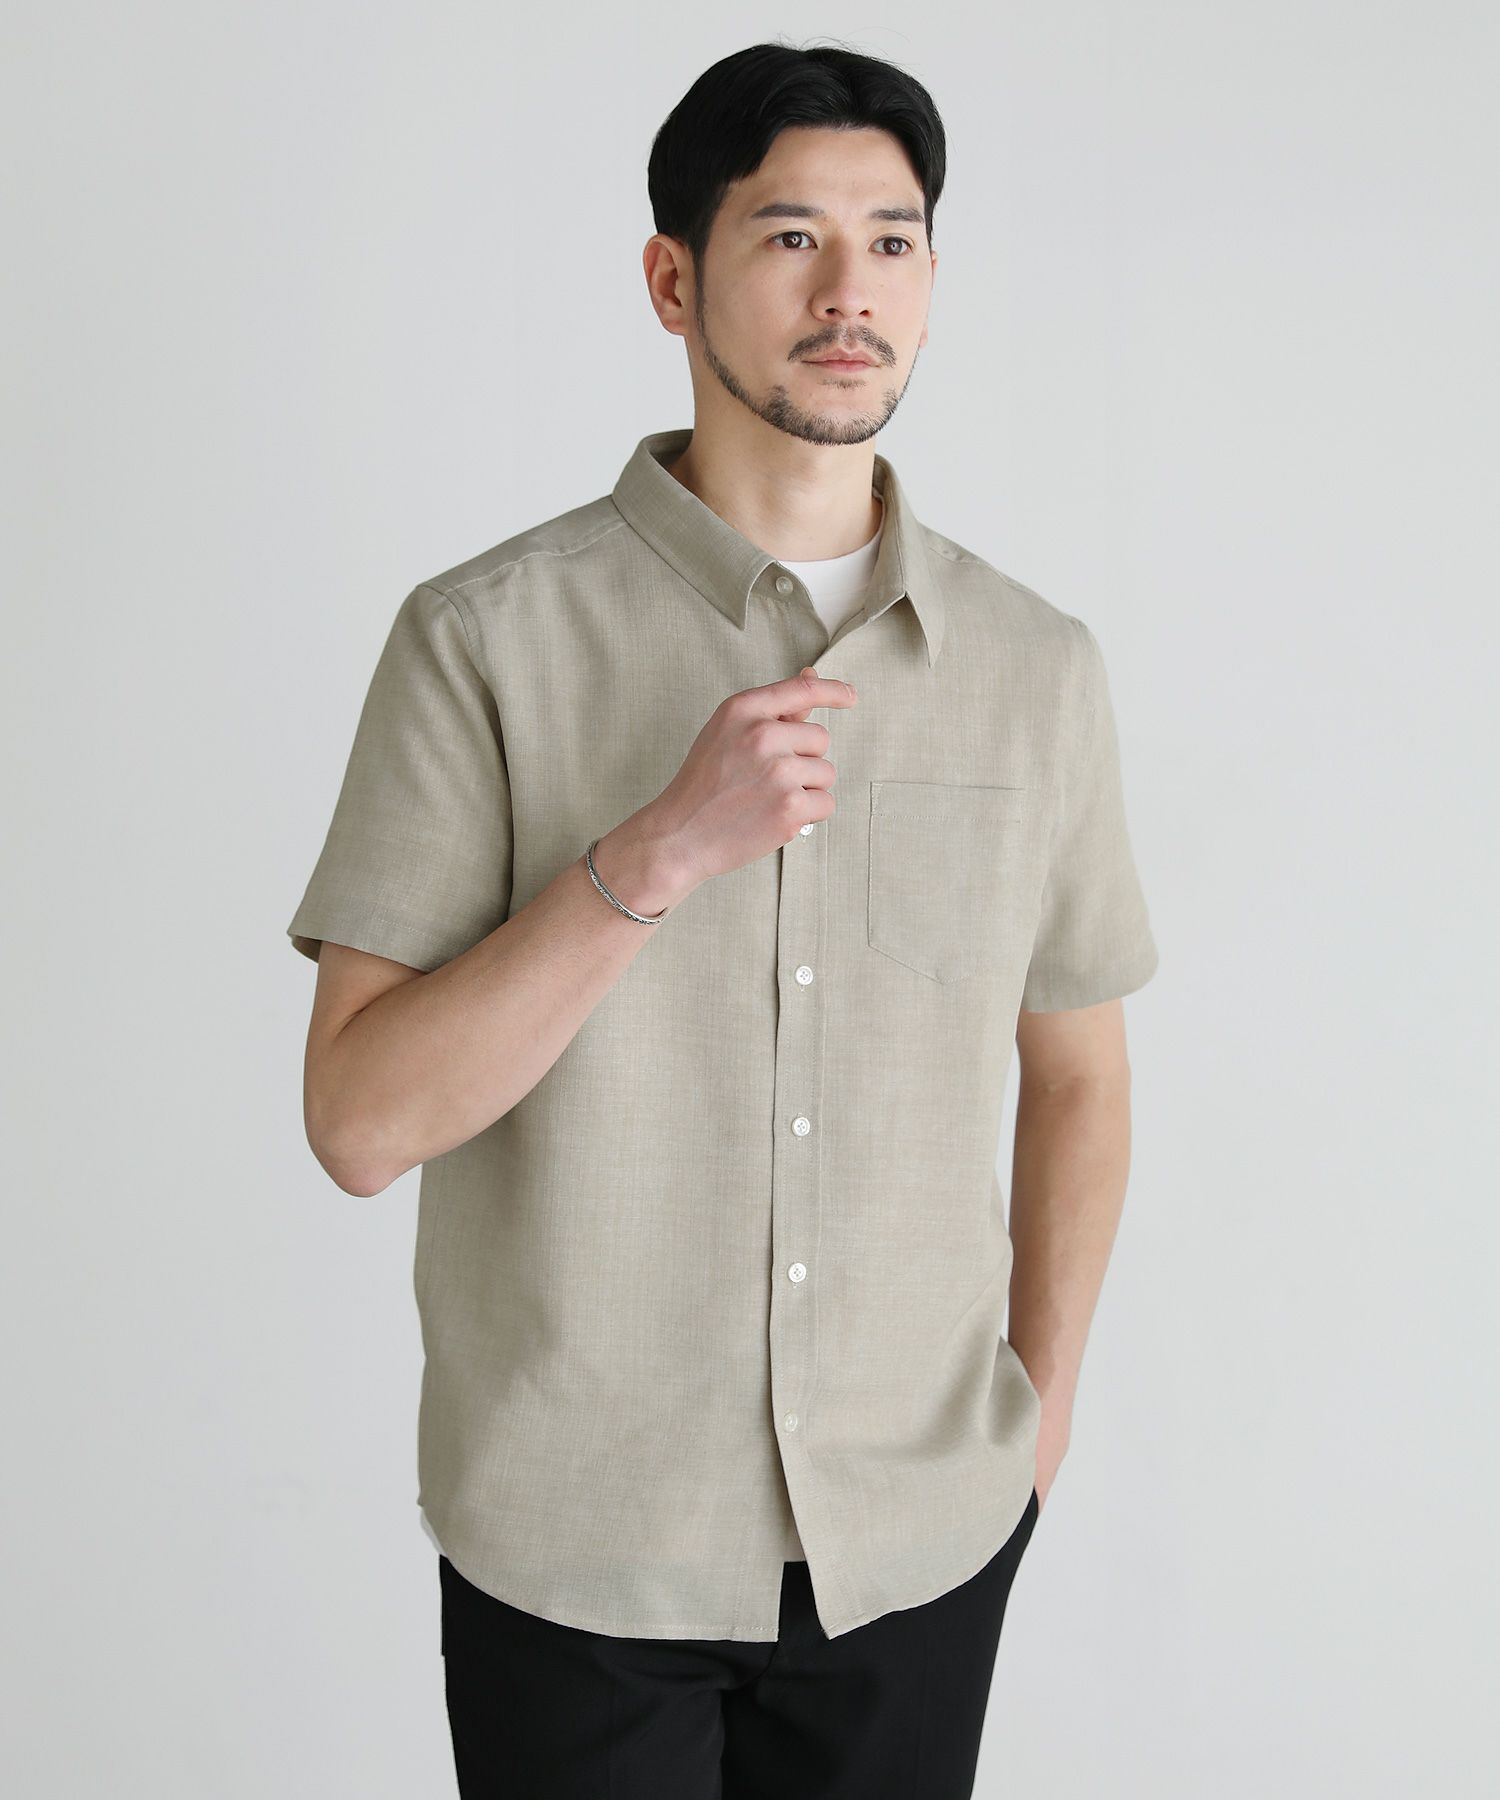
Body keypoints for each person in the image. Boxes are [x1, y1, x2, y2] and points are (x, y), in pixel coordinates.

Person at [285, 39, 1159, 1800]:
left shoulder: (1035, 667)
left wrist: (1037, 1421)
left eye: (894, 241)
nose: (852, 293)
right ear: (672, 280)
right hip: (575, 1549)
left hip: (918, 1544)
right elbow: (362, 1125)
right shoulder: (482, 640)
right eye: (790, 237)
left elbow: (1077, 1073)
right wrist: (657, 854)